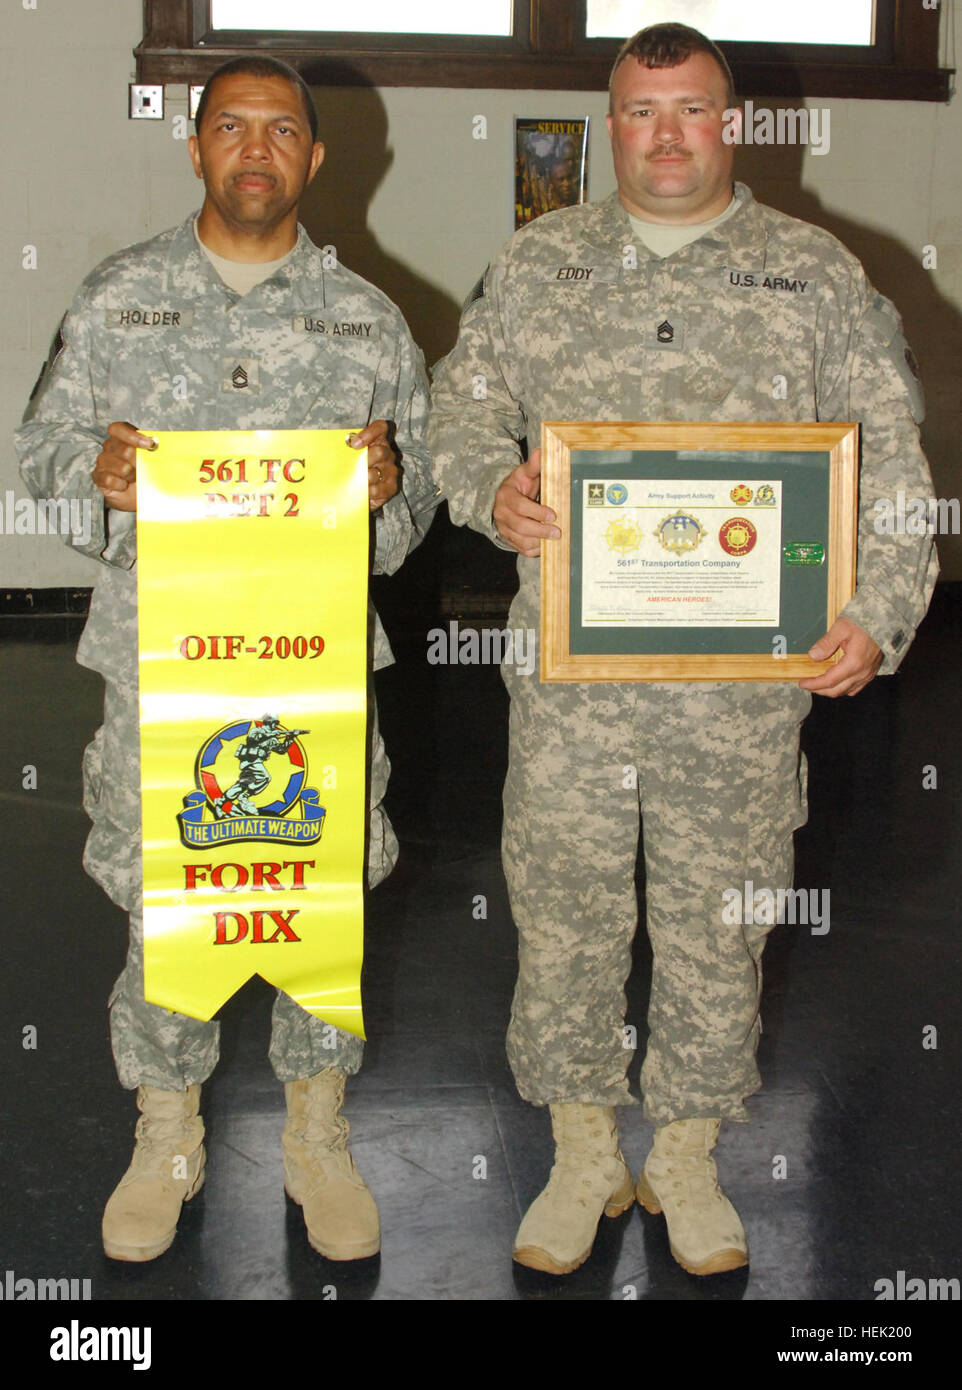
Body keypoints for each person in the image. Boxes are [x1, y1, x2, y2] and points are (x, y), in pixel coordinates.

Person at [428, 22, 938, 1278]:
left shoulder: (814, 274)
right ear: (612, 125)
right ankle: (584, 1148)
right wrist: (490, 485)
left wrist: (877, 611)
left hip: (739, 691)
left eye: (693, 110)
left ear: (732, 123)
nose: (665, 135)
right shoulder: (539, 263)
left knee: (721, 916)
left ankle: (692, 1153)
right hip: (571, 684)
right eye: (641, 112)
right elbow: (460, 407)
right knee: (563, 911)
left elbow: (893, 468)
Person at [16, 56, 438, 1264]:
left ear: (315, 157)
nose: (257, 150)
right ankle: (165, 1127)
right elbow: (40, 453)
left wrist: (393, 492)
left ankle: (315, 1129)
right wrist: (86, 474)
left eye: (283, 131)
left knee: (318, 896)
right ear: (195, 149)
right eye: (232, 129)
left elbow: (409, 520)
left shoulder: (365, 318)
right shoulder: (117, 299)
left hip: (311, 670)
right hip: (164, 669)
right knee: (171, 899)